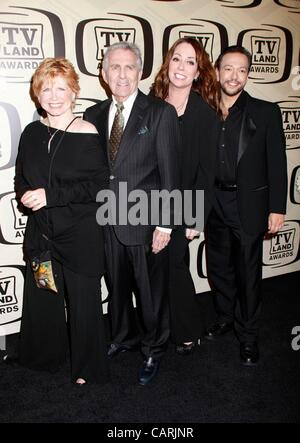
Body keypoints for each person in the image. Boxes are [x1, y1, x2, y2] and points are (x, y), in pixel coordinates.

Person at [84, 42, 181, 385]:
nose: (121, 74)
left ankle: (154, 348)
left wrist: (166, 224)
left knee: (151, 293)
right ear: (103, 73)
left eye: (129, 68)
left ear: (140, 72)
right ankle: (123, 337)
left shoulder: (160, 112)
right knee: (117, 285)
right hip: (107, 221)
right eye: (114, 67)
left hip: (146, 221)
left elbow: (171, 173)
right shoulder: (92, 116)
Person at [11, 57, 110, 385]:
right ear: (37, 94)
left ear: (74, 93)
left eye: (61, 88)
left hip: (79, 234)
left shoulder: (86, 131)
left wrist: (50, 195)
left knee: (84, 305)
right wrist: (26, 194)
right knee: (44, 297)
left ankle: (87, 368)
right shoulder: (30, 132)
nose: (53, 96)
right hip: (43, 234)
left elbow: (99, 186)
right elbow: (21, 177)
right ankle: (42, 356)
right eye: (46, 89)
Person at [204, 46, 287, 365]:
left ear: (248, 74)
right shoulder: (205, 111)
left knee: (248, 274)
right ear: (217, 71)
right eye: (228, 69)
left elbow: (277, 164)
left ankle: (249, 335)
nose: (233, 76)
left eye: (241, 70)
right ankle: (226, 317)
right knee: (219, 268)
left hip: (248, 204)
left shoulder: (266, 112)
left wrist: (277, 208)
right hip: (214, 203)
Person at [150, 37, 219, 355]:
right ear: (168, 63)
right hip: (148, 201)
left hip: (183, 204)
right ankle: (162, 325)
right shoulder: (153, 101)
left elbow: (207, 172)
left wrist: (196, 219)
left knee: (176, 265)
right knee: (155, 266)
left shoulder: (203, 113)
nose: (181, 67)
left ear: (198, 71)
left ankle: (189, 330)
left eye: (190, 61)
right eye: (177, 59)